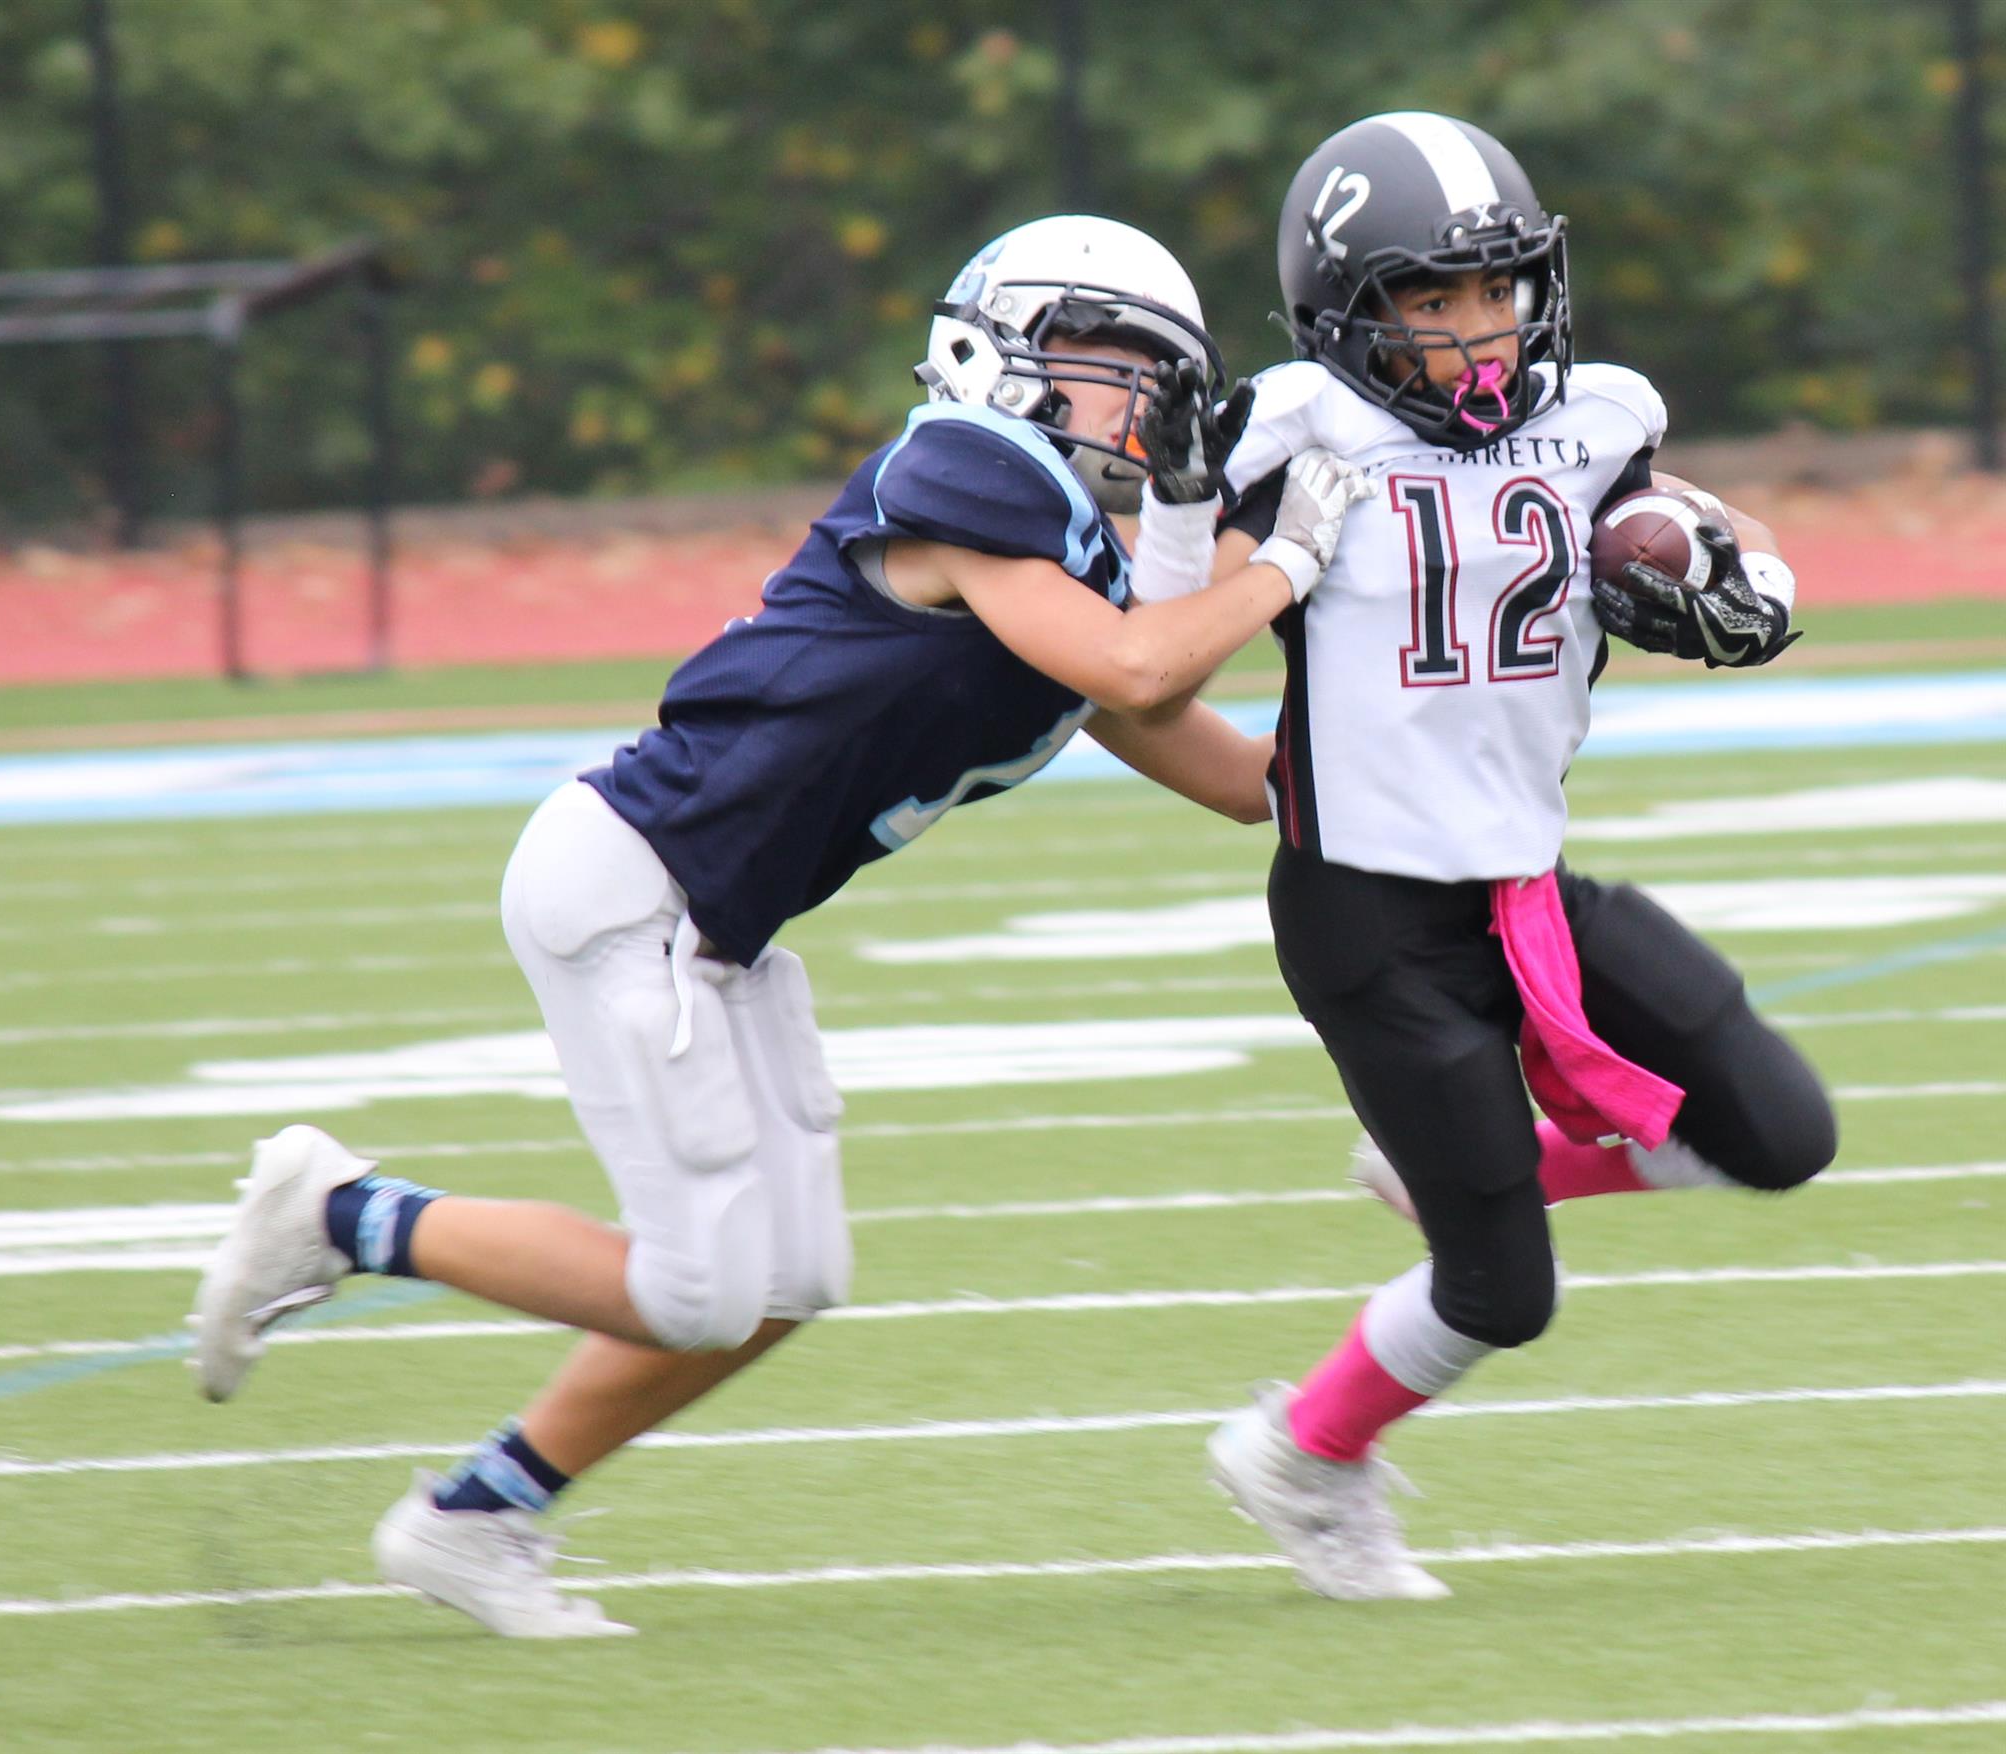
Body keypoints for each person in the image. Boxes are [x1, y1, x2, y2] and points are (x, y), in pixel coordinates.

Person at [187, 214, 1371, 1638]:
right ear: (1005, 346)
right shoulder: (969, 469)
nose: (1138, 398)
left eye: (1153, 372)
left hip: (714, 922)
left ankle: (476, 1517)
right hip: (630, 882)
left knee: (788, 1278)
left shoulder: (1070, 569)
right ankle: (336, 1212)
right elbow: (1138, 662)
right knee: (694, 1290)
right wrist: (1283, 560)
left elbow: (1231, 766)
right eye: (1109, 357)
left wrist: (1449, 709)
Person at [1188, 112, 1838, 1601]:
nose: (1480, 330)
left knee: (1779, 1130)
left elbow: (1721, 532)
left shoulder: (1598, 418)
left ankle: (1482, 1168)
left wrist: (1740, 580)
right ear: (1346, 310)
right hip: (1368, 913)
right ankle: (1300, 1454)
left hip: (1530, 890)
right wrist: (1271, 580)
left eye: (1498, 289)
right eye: (1432, 299)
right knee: (1498, 1296)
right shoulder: (1298, 427)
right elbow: (1167, 627)